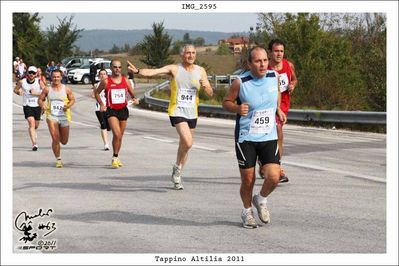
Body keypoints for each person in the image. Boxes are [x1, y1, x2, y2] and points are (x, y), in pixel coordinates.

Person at [127, 44, 213, 190]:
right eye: (188, 53)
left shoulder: (201, 71)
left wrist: (206, 87)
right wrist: (138, 71)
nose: (191, 55)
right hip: (177, 110)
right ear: (182, 55)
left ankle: (177, 171)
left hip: (192, 112)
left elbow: (210, 94)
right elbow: (154, 72)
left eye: (193, 53)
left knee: (185, 146)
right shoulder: (174, 69)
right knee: (188, 142)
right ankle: (178, 170)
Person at [222, 46, 286, 229]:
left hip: (268, 135)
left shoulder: (274, 77)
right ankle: (247, 211)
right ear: (249, 63)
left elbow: (277, 93)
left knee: (274, 176)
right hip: (246, 138)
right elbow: (226, 102)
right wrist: (236, 108)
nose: (263, 64)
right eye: (258, 61)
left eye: (265, 60)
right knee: (248, 179)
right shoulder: (240, 82)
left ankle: (261, 199)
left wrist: (278, 109)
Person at [258, 39, 297, 183]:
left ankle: (264, 163)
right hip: (270, 106)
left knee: (271, 136)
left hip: (284, 105)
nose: (279, 54)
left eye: (281, 51)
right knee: (278, 133)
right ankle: (277, 169)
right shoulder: (265, 68)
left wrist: (292, 85)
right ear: (270, 52)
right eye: (276, 51)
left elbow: (294, 79)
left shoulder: (288, 65)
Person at [95, 60, 139, 168]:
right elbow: (96, 93)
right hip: (111, 110)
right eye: (115, 67)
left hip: (123, 110)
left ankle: (116, 156)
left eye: (119, 67)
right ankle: (115, 157)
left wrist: (134, 99)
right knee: (117, 134)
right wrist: (101, 104)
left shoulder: (125, 80)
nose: (117, 69)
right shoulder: (106, 81)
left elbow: (132, 93)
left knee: (119, 136)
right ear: (111, 68)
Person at [38, 69, 75, 168]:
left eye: (58, 76)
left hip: (64, 116)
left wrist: (68, 106)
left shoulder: (66, 89)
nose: (56, 78)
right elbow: (40, 100)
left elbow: (72, 99)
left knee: (64, 141)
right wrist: (42, 105)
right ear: (51, 77)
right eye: (54, 76)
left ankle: (58, 146)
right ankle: (58, 159)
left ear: (61, 77)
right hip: (52, 116)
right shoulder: (47, 89)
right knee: (55, 138)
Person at [13, 66, 46, 151]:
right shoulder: (22, 82)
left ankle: (33, 131)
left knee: (36, 125)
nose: (31, 74)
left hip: (37, 105)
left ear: (36, 74)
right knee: (31, 123)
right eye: (30, 72)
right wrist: (18, 92)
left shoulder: (39, 82)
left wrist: (36, 93)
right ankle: (34, 144)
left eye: (33, 73)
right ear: (27, 73)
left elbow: (46, 92)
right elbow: (15, 90)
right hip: (27, 105)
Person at [91, 68, 110, 151]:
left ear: (107, 75)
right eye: (101, 74)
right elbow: (93, 95)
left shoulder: (110, 84)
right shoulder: (96, 85)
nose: (102, 75)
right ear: (99, 76)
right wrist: (94, 90)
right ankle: (106, 144)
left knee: (109, 127)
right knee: (103, 126)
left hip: (109, 107)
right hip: (99, 108)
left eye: (104, 74)